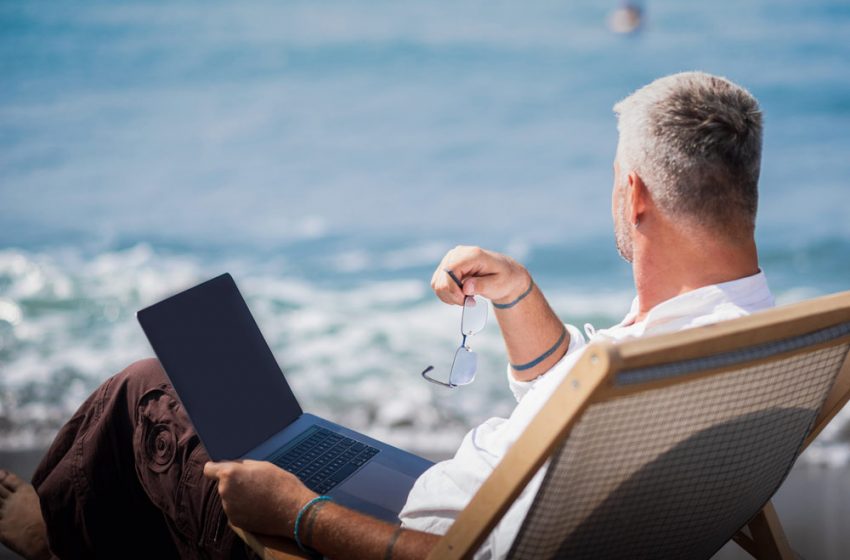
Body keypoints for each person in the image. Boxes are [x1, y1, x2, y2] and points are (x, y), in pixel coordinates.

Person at [0, 71, 771, 560]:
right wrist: (517, 295)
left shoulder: (640, 375)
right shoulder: (739, 339)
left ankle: (51, 537)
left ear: (634, 195)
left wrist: (299, 514)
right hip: (431, 498)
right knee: (214, 410)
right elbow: (570, 398)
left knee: (148, 395)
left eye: (613, 181)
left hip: (379, 539)